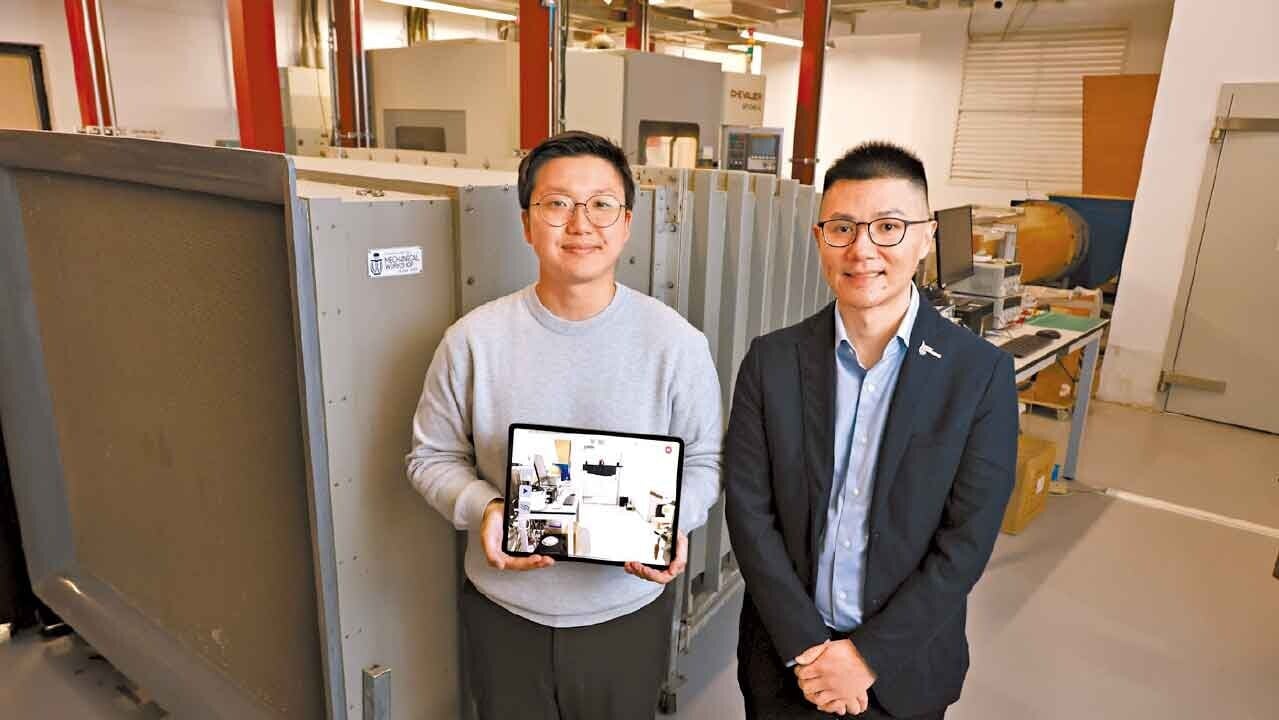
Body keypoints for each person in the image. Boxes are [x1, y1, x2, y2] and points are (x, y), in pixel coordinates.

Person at [405, 131, 722, 720]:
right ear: (527, 223)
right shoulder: (473, 340)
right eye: (556, 204)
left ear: (626, 224)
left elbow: (705, 461)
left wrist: (674, 519)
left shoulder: (677, 344)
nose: (580, 224)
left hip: (626, 615)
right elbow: (430, 457)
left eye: (601, 204)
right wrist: (484, 508)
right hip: (504, 616)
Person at [725, 142, 1017, 719]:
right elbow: (749, 512)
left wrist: (865, 657)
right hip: (786, 664)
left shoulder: (978, 375)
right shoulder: (772, 361)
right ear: (819, 238)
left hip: (901, 674)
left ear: (926, 237)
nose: (862, 250)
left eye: (888, 227)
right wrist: (809, 648)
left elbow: (966, 541)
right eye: (842, 228)